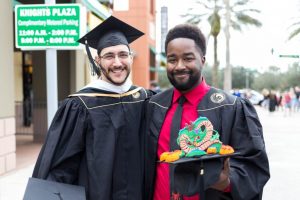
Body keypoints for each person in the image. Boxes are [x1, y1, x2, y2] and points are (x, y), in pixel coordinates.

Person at [32, 16, 153, 200]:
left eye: (122, 54)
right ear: (97, 60)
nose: (117, 63)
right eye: (109, 56)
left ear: (130, 57)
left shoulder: (144, 99)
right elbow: (60, 168)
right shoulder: (80, 106)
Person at [144, 24, 270, 200]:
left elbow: (253, 165)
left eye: (188, 58)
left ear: (202, 60)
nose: (179, 66)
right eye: (172, 60)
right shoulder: (153, 106)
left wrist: (227, 183)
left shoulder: (230, 107)